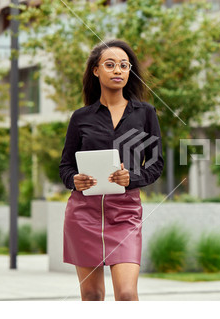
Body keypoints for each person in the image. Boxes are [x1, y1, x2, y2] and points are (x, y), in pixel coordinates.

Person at [59, 39, 164, 301]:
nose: (118, 70)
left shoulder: (145, 113)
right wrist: (74, 180)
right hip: (83, 215)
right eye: (110, 65)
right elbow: (65, 165)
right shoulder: (81, 117)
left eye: (124, 65)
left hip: (125, 214)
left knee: (127, 294)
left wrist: (133, 178)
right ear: (96, 70)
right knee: (92, 295)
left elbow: (156, 163)